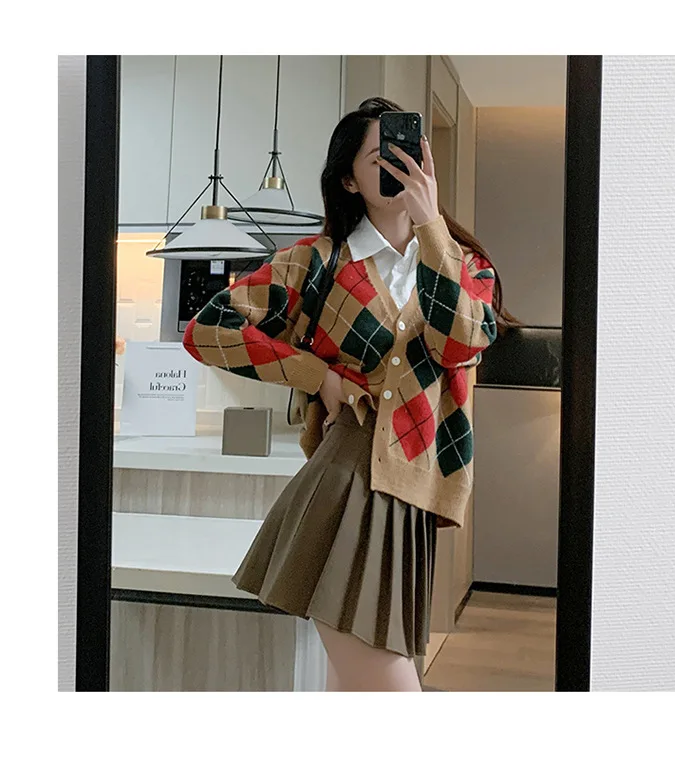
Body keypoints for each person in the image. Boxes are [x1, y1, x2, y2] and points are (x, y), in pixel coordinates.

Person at [183, 96, 522, 692]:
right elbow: (208, 329)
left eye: (409, 153)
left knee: (356, 687)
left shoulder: (467, 265)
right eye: (380, 158)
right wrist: (317, 375)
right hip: (347, 478)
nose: (400, 167)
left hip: (414, 491)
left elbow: (461, 342)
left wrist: (431, 224)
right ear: (348, 180)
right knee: (388, 688)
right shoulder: (316, 261)